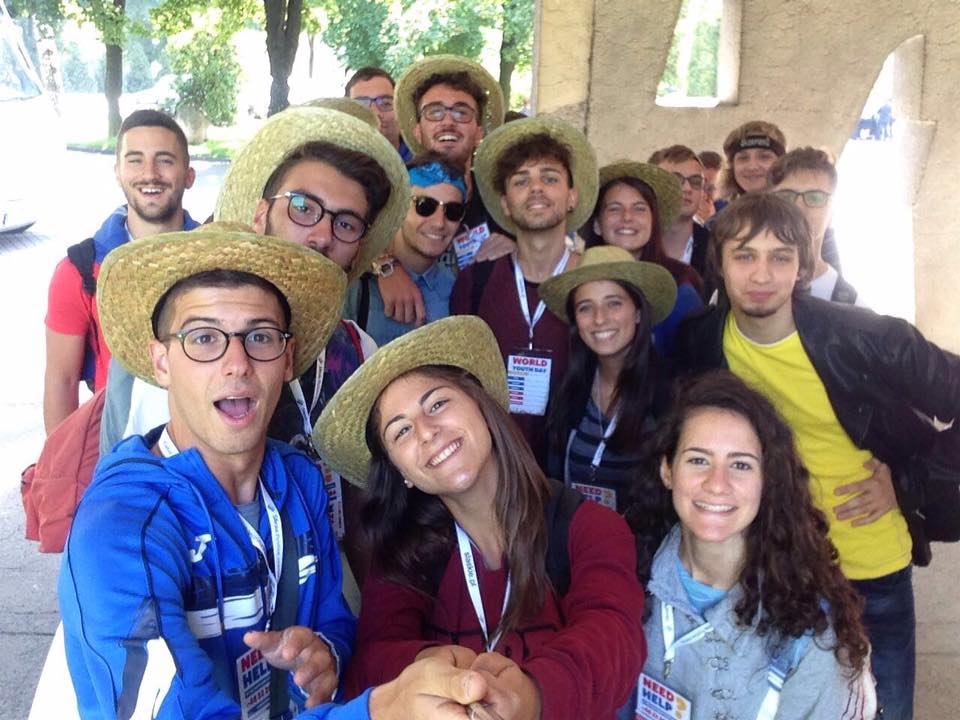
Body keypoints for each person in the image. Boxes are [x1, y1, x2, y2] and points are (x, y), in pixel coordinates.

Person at [58, 227, 500, 719]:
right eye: (204, 338)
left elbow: (333, 618)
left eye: (261, 337)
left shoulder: (300, 480)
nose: (237, 364)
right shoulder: (122, 528)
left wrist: (326, 655)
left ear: (287, 360)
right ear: (161, 363)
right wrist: (380, 711)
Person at [674, 192, 960, 719]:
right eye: (745, 255)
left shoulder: (867, 337)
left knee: (882, 709)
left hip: (867, 567)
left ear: (802, 266)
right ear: (719, 264)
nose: (762, 274)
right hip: (767, 566)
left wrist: (909, 483)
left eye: (780, 256)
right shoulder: (701, 342)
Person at [101, 107, 410, 594]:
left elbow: (365, 492)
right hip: (195, 597)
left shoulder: (357, 350)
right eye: (303, 207)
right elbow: (125, 511)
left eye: (347, 224)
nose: (322, 235)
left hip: (327, 596)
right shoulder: (175, 353)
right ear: (261, 215)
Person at [312, 315, 647, 720]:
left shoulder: (590, 527)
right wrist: (429, 662)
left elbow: (615, 638)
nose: (426, 432)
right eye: (401, 432)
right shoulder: (402, 553)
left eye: (437, 404)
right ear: (402, 473)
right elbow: (371, 660)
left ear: (482, 406)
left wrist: (530, 696)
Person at [624, 370, 875, 719]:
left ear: (767, 481)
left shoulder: (812, 636)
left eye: (740, 465)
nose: (717, 483)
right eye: (698, 460)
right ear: (667, 470)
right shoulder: (625, 576)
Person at [450, 116, 599, 463]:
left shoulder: (595, 281)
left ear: (572, 196)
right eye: (521, 181)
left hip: (574, 468)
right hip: (495, 466)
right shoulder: (474, 283)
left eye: (550, 178)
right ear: (505, 203)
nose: (536, 188)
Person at [43, 109, 198, 433]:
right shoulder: (80, 271)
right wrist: (62, 461)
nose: (150, 174)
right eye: (135, 160)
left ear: (188, 175)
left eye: (165, 160)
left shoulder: (218, 259)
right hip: (117, 446)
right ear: (118, 173)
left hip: (209, 446)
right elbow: (62, 380)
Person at [540, 245, 676, 512]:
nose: (599, 319)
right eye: (585, 307)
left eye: (614, 303)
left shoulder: (670, 394)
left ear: (638, 312)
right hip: (577, 536)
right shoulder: (568, 390)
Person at [380, 55, 511, 329]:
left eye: (461, 112)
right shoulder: (388, 190)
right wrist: (385, 266)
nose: (448, 121)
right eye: (434, 112)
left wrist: (517, 250)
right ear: (418, 130)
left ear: (479, 132)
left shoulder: (503, 200)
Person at [345, 154, 467, 345]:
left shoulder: (458, 289)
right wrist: (384, 266)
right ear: (400, 207)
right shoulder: (357, 280)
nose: (439, 223)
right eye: (425, 206)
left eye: (453, 211)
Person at [583, 160, 702, 355]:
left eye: (639, 208)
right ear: (597, 224)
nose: (627, 217)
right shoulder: (578, 281)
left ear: (654, 222)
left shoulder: (679, 290)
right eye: (614, 208)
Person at [767, 146, 861, 304]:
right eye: (786, 196)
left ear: (832, 210)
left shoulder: (852, 307)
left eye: (815, 197)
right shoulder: (736, 289)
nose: (798, 207)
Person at [648, 145, 710, 283]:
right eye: (674, 180)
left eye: (696, 181)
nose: (687, 188)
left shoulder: (717, 249)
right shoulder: (635, 244)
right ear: (651, 187)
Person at [345, 66, 412, 161]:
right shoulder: (333, 165)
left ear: (400, 111)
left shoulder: (424, 164)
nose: (375, 113)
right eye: (361, 106)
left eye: (385, 103)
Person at [719, 120, 786, 200]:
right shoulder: (723, 207)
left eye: (764, 157)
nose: (752, 167)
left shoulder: (796, 206)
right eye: (743, 158)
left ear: (782, 162)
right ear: (732, 166)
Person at [697, 150, 723, 220]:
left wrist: (710, 220)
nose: (704, 196)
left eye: (711, 189)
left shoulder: (729, 211)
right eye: (699, 186)